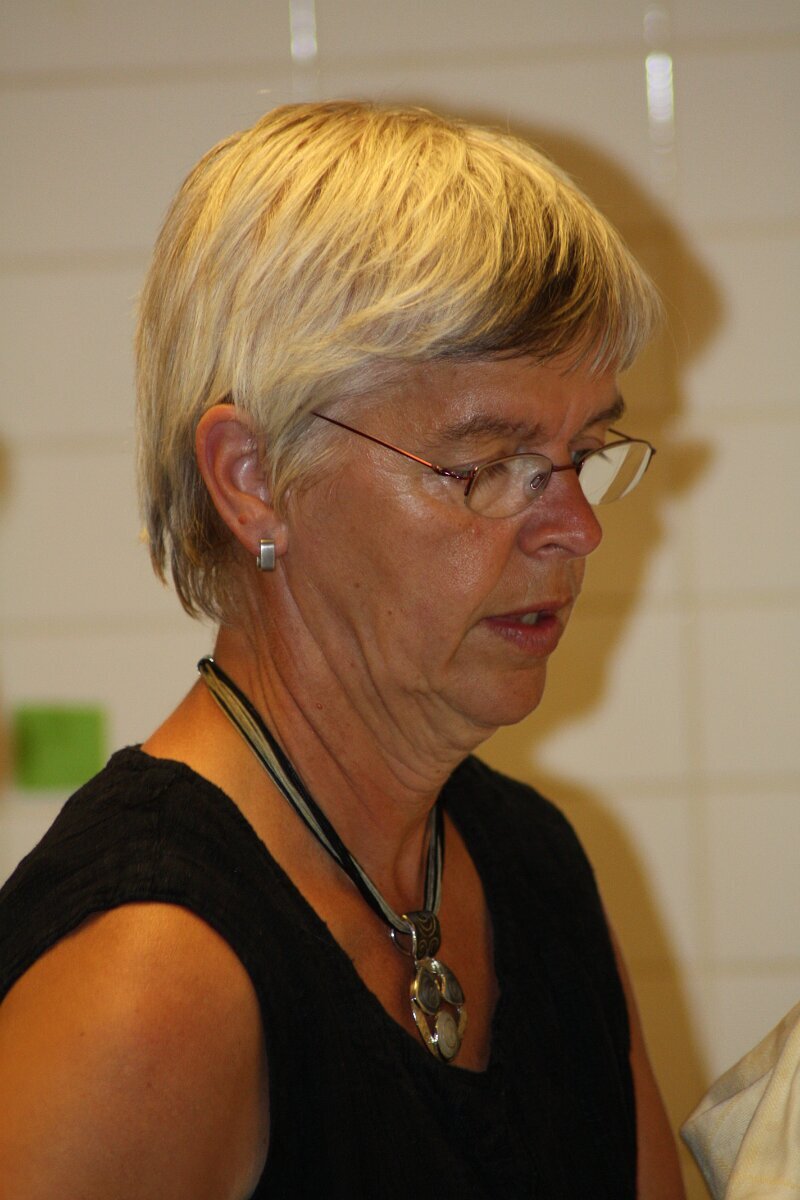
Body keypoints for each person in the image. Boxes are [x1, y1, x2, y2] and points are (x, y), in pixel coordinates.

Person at [0, 101, 685, 1198]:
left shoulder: (530, 863)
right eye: (488, 464)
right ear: (254, 480)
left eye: (584, 452)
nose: (576, 529)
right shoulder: (150, 978)